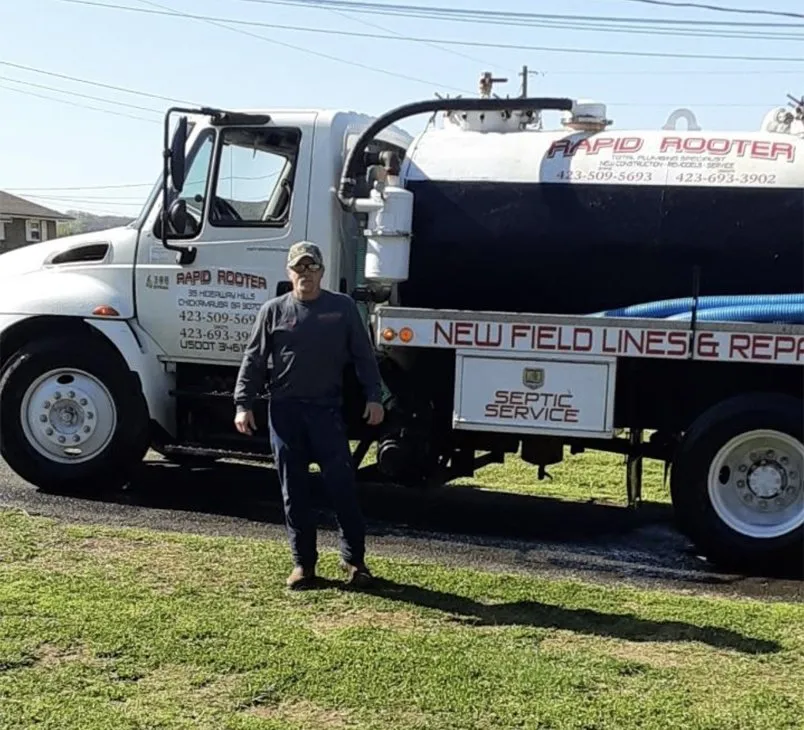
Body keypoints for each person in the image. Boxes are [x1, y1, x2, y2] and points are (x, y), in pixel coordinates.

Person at [233, 241, 385, 590]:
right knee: (294, 491)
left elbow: (364, 357)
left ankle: (355, 562)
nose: (306, 274)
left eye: (312, 267)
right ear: (289, 273)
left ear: (321, 271)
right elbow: (254, 360)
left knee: (342, 487)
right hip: (285, 413)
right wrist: (243, 404)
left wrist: (374, 398)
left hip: (326, 412)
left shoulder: (342, 309)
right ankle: (303, 565)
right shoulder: (273, 311)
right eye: (299, 268)